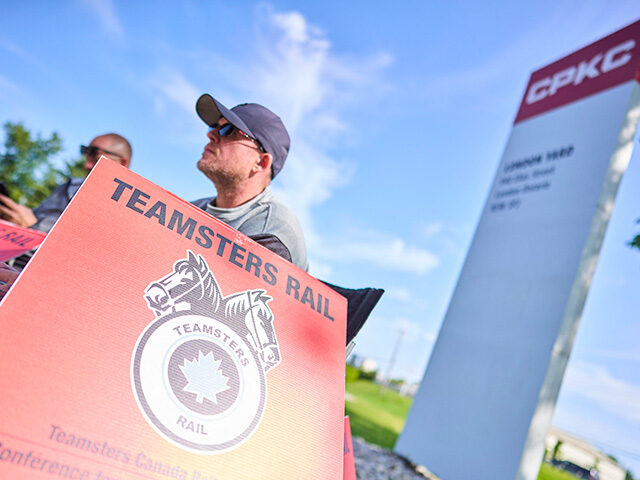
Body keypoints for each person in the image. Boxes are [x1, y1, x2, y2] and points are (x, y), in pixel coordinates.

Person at [191, 94, 308, 271]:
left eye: (228, 130)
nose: (211, 134)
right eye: (214, 126)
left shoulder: (272, 230)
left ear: (261, 163)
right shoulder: (194, 208)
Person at [0, 133, 132, 233]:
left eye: (96, 155)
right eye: (86, 154)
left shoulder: (127, 212)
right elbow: (32, 217)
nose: (86, 164)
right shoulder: (69, 186)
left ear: (123, 163)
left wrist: (32, 227)